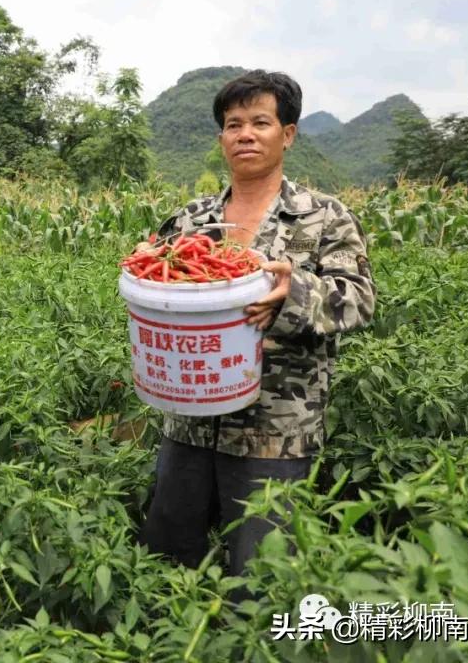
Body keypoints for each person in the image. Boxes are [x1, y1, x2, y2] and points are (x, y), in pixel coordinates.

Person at [138, 70, 376, 580]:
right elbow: (155, 286)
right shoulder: (191, 221)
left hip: (276, 431)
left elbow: (358, 299)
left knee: (261, 577)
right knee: (166, 563)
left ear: (287, 134)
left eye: (260, 122)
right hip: (189, 423)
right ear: (222, 138)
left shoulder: (323, 218)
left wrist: (296, 292)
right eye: (233, 124)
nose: (245, 134)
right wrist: (142, 262)